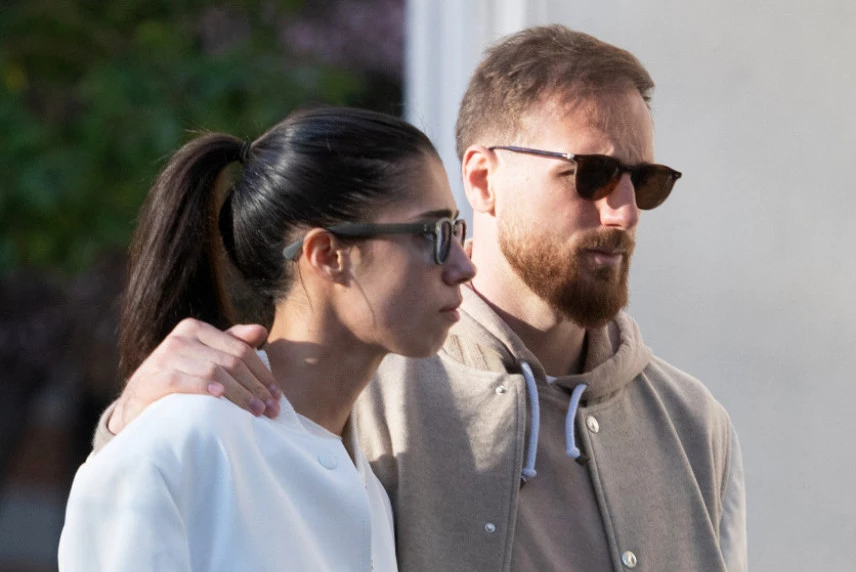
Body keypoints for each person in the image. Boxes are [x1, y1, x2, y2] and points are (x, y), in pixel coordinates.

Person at [91, 26, 747, 572]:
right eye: (593, 175)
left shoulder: (695, 425)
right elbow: (161, 487)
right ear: (482, 179)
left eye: (646, 181)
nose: (624, 212)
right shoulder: (358, 385)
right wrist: (129, 424)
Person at [58, 107, 476, 571]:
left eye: (457, 229)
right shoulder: (186, 439)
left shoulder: (366, 485)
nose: (464, 265)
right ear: (327, 255)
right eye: (434, 233)